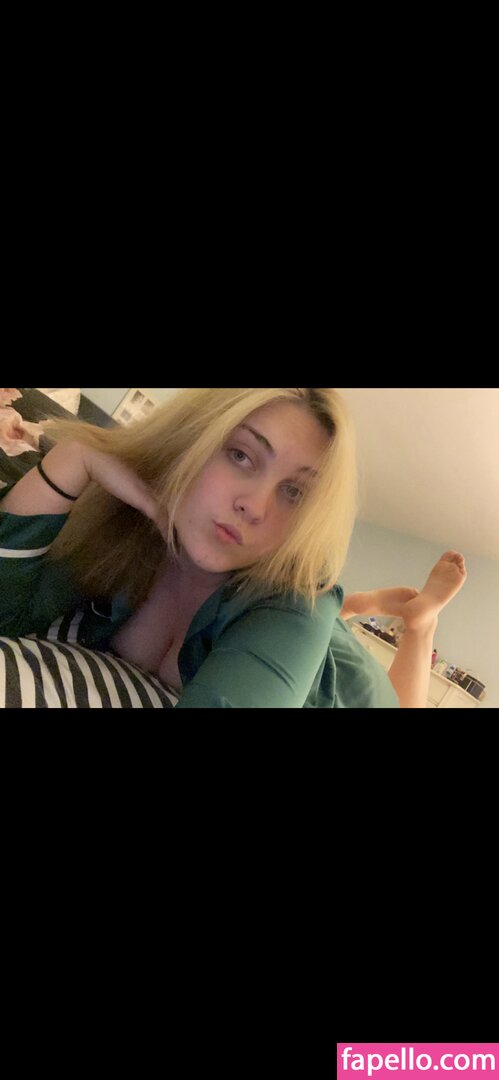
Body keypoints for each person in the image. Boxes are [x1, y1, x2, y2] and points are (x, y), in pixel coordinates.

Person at [0, 388, 467, 708]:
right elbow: (8, 613)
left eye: (294, 492)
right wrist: (76, 456)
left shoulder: (297, 607)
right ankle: (361, 607)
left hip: (335, 679)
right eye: (241, 455)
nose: (254, 506)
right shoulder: (121, 536)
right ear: (192, 440)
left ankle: (421, 621)